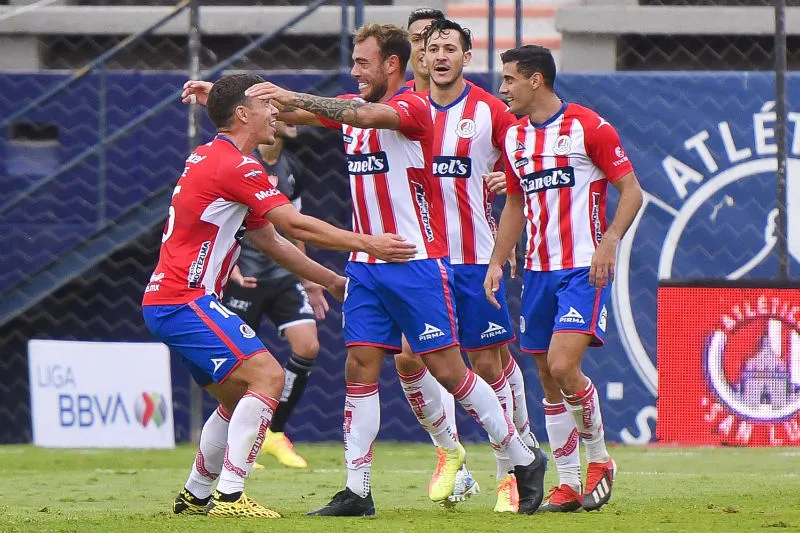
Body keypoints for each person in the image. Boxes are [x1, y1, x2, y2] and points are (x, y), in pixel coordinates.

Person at [185, 23, 547, 516]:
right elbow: (303, 111)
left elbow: (362, 112)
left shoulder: (411, 106)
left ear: (391, 65)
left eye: (363, 62)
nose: (354, 71)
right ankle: (358, 490)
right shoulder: (351, 112)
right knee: (360, 367)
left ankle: (522, 458)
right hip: (367, 264)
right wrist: (230, 105)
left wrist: (291, 95)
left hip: (415, 259)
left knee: (449, 369)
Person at [143, 73, 416, 518]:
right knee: (267, 377)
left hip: (173, 300)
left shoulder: (212, 158)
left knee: (235, 399)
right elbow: (297, 225)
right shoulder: (238, 165)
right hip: (184, 299)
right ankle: (230, 497)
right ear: (243, 114)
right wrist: (370, 243)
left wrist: (330, 281)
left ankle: (196, 494)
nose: (277, 112)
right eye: (267, 104)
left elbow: (271, 241)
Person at [392, 18, 543, 514]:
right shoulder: (403, 110)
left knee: (486, 362)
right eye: (431, 47)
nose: (438, 55)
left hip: (475, 258)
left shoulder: (488, 110)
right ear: (420, 56)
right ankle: (448, 453)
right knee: (410, 357)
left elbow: (527, 158)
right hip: (422, 260)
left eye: (449, 49)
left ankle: (511, 471)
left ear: (465, 57)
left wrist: (509, 180)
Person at [484, 45, 644, 512]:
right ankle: (569, 484)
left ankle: (600, 460)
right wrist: (497, 260)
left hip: (582, 269)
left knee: (561, 365)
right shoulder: (514, 139)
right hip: (536, 271)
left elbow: (632, 191)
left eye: (510, 79)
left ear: (536, 80)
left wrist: (610, 240)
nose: (503, 88)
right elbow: (515, 203)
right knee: (546, 380)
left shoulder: (589, 127)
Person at [221, 121, 321, 469]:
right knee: (237, 365)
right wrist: (227, 266)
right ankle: (236, 441)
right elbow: (222, 218)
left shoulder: (292, 167)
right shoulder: (243, 164)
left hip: (282, 273)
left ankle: (274, 434)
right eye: (285, 116)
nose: (295, 122)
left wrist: (308, 277)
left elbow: (295, 227)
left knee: (307, 345)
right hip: (244, 275)